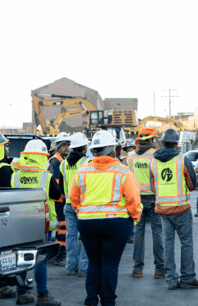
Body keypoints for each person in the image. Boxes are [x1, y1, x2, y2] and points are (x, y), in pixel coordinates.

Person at [70, 131, 142, 306]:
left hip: (88, 223)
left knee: (94, 263)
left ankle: (91, 300)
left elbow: (74, 198)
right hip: (116, 223)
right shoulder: (122, 171)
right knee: (110, 263)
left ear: (94, 151)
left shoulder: (82, 171)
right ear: (112, 150)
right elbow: (133, 199)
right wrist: (135, 218)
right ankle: (108, 301)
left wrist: (83, 213)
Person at [10, 140, 63, 306]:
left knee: (23, 257)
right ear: (41, 157)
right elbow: (57, 195)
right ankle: (42, 295)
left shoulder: (15, 175)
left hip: (20, 221)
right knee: (40, 259)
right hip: (41, 222)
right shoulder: (46, 176)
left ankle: (21, 293)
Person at [150, 128, 198, 290]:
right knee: (186, 243)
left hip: (163, 210)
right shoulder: (182, 160)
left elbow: (153, 186)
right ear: (176, 144)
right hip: (181, 209)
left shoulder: (153, 162)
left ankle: (171, 280)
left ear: (162, 143)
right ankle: (187, 278)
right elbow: (192, 184)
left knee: (168, 244)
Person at [128, 128, 165, 280]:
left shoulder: (130, 157)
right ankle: (159, 269)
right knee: (157, 232)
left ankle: (138, 268)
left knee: (138, 233)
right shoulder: (155, 156)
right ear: (150, 141)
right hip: (153, 198)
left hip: (136, 199)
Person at [60, 132, 90, 277]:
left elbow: (61, 184)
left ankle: (70, 267)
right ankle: (84, 268)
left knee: (70, 236)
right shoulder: (86, 163)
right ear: (84, 148)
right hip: (83, 205)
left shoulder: (63, 163)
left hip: (68, 203)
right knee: (85, 236)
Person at [49, 132, 71, 267]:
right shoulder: (56, 161)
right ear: (59, 147)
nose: (68, 148)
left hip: (61, 200)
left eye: (68, 145)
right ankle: (60, 256)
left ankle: (59, 255)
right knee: (62, 228)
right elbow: (57, 183)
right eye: (65, 145)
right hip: (59, 201)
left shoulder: (60, 160)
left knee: (62, 228)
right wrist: (63, 198)